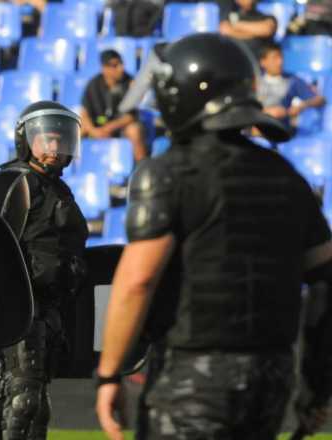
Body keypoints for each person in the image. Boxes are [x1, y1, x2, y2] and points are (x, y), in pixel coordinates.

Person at [94, 33, 332, 440]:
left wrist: (108, 374)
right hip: (271, 376)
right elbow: (326, 282)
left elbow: (137, 282)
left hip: (192, 379)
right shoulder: (286, 176)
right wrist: (317, 388)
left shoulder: (169, 173)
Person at [0, 101, 88, 440]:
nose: (53, 149)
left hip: (51, 308)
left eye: (59, 141)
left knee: (38, 405)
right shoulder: (12, 183)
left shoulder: (60, 190)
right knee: (21, 401)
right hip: (22, 311)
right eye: (45, 140)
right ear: (27, 141)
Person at [80, 49, 148, 162]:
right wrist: (93, 131)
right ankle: (73, 167)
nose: (120, 68)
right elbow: (84, 113)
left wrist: (108, 128)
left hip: (120, 127)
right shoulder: (93, 84)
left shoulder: (130, 82)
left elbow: (131, 116)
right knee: (76, 128)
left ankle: (142, 166)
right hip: (99, 124)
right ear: (104, 68)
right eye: (115, 65)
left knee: (134, 130)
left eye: (121, 63)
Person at [257, 42, 326, 136]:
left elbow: (320, 100)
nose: (280, 62)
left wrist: (301, 106)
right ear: (263, 62)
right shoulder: (254, 81)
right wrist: (264, 113)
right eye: (275, 58)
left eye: (281, 57)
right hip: (256, 127)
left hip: (281, 130)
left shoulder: (292, 81)